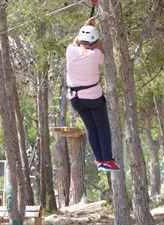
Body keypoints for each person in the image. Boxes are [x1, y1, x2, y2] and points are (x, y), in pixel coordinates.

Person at [66, 17, 119, 171]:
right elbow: (103, 54)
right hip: (93, 97)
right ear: (94, 42)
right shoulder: (95, 55)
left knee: (90, 127)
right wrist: (97, 36)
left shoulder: (71, 51)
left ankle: (99, 160)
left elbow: (76, 41)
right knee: (102, 127)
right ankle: (108, 160)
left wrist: (85, 26)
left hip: (75, 99)